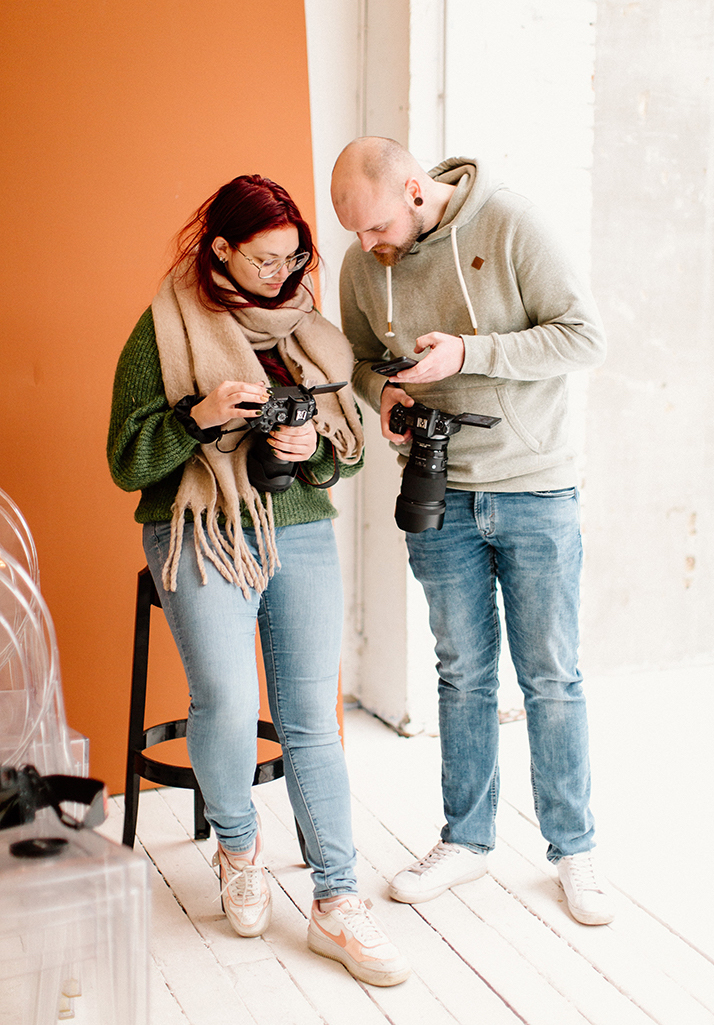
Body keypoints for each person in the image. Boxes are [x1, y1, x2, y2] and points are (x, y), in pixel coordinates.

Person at [108, 174, 410, 985]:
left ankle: (338, 900)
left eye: (296, 256)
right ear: (222, 251)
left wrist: (300, 448)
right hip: (198, 527)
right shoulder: (165, 329)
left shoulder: (306, 331)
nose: (285, 273)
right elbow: (126, 461)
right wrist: (197, 420)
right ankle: (237, 847)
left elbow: (340, 454)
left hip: (298, 527)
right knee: (231, 703)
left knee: (312, 711)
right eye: (267, 258)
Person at [331, 137, 614, 926]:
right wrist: (379, 393)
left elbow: (585, 335)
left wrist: (470, 351)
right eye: (353, 232)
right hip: (438, 489)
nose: (367, 246)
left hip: (534, 487)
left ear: (417, 191)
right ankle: (467, 840)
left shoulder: (514, 226)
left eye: (377, 226)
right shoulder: (365, 264)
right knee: (460, 673)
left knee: (551, 675)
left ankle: (575, 849)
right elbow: (357, 358)